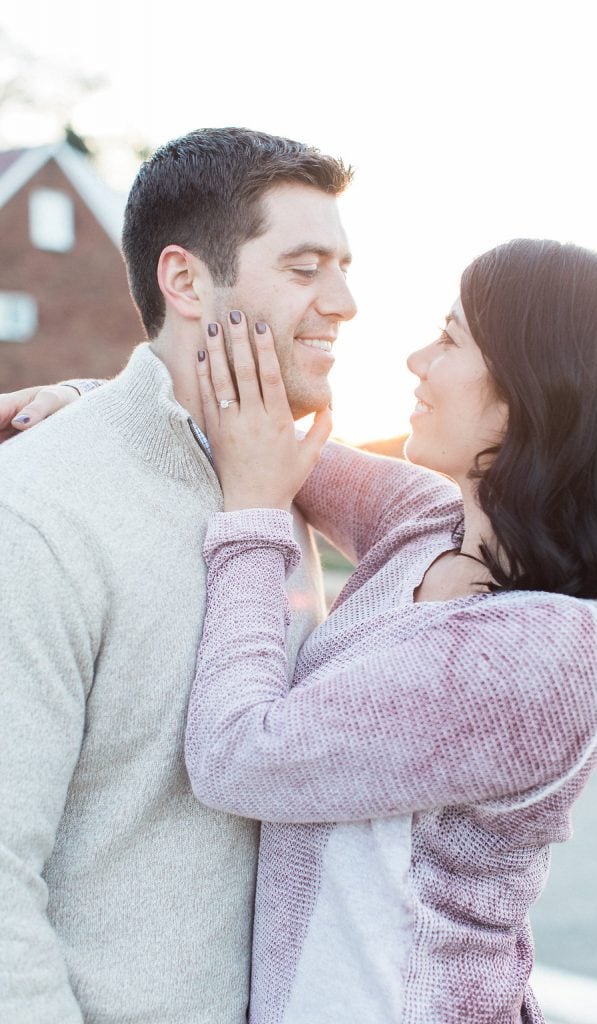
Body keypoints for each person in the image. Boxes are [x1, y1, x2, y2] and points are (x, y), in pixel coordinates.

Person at [181, 239, 597, 1022]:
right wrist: (101, 407)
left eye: (448, 338)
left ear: (533, 391)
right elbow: (257, 445)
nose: (416, 360)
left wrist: (250, 521)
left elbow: (237, 755)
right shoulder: (426, 524)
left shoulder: (550, 651)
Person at [0, 126, 356, 1024]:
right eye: (305, 267)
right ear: (187, 281)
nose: (344, 301)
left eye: (343, 266)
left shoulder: (280, 479)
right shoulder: (37, 514)